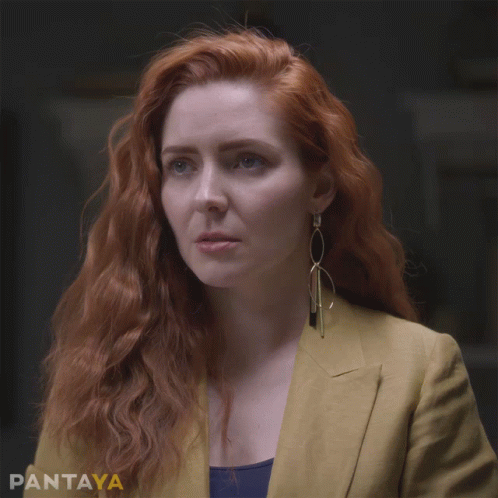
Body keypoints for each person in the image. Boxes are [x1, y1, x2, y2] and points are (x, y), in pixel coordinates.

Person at [24, 26, 497, 498]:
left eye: (247, 161)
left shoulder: (417, 373)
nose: (206, 197)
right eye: (181, 165)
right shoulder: (103, 377)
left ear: (319, 188)